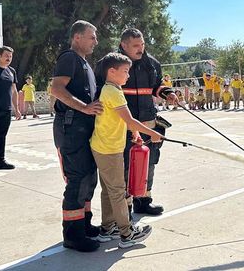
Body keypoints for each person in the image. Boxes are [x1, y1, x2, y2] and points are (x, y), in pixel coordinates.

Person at [91, 53, 162, 248]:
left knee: (108, 190)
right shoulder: (113, 92)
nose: (128, 76)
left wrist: (136, 134)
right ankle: (127, 233)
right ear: (111, 72)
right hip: (109, 148)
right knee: (117, 191)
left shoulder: (111, 89)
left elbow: (123, 119)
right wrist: (151, 133)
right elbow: (130, 119)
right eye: (125, 72)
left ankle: (108, 228)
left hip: (104, 146)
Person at [51, 20, 103, 252]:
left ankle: (84, 224)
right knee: (78, 179)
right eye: (91, 37)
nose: (95, 41)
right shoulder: (69, 58)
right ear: (77, 37)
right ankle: (72, 235)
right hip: (71, 128)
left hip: (84, 128)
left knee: (89, 177)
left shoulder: (85, 64)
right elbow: (56, 89)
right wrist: (84, 107)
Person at [118, 28, 177, 217]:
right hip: (123, 125)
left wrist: (168, 93)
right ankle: (124, 207)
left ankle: (143, 201)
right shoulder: (112, 64)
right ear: (123, 45)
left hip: (148, 122)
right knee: (125, 165)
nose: (140, 49)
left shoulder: (152, 64)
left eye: (142, 44)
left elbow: (157, 86)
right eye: (135, 46)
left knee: (148, 162)